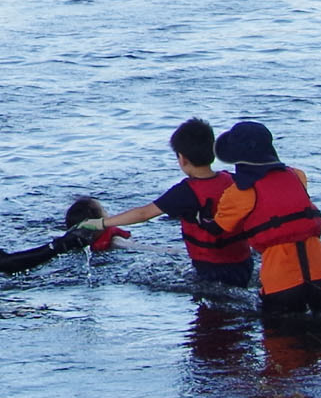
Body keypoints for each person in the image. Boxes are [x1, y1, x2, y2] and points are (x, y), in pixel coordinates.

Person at [211, 121, 321, 319]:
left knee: (282, 345)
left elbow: (220, 228)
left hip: (282, 283)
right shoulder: (297, 175)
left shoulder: (240, 191)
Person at [102, 117, 254, 289]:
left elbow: (143, 214)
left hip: (211, 269)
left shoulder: (186, 192)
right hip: (244, 263)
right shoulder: (233, 180)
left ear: (182, 159)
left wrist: (102, 222)